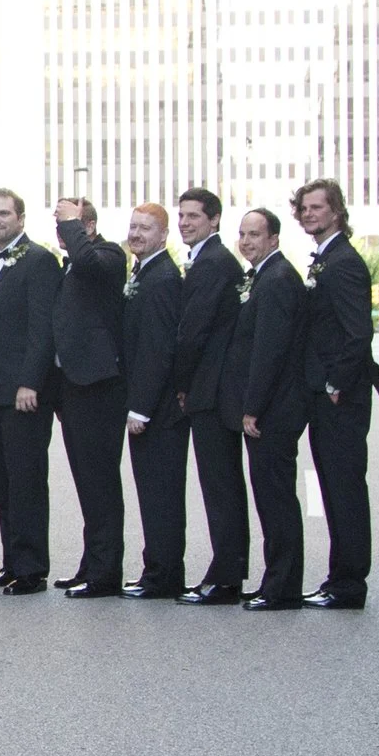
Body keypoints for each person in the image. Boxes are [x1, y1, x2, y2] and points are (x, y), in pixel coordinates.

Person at [295, 178, 379, 609]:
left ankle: (349, 584)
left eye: (317, 207)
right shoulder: (326, 258)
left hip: (341, 399)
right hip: (325, 393)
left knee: (345, 488)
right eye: (304, 208)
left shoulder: (344, 262)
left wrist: (335, 384)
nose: (309, 213)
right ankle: (337, 578)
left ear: (336, 211)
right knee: (332, 486)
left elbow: (357, 333)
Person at [0, 189, 61, 594]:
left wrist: (30, 381)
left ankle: (31, 569)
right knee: (1, 482)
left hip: (22, 394)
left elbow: (44, 329)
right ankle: (11, 561)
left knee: (25, 481)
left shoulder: (40, 261)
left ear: (21, 219)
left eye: (4, 213)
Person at [171, 189, 250, 605]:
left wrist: (181, 384)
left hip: (213, 391)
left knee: (220, 486)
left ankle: (226, 577)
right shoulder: (208, 260)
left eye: (194, 217)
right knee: (222, 485)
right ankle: (228, 571)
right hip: (213, 388)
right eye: (181, 216)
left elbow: (192, 333)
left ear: (215, 220)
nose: (185, 222)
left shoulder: (213, 263)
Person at [230, 208, 312, 610]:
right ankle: (275, 581)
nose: (247, 242)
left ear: (274, 239)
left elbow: (269, 351)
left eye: (255, 235)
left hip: (276, 409)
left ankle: (282, 588)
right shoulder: (265, 276)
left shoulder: (277, 280)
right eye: (243, 234)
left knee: (276, 498)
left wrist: (253, 408)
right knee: (270, 497)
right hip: (274, 405)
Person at [51, 196, 129, 598]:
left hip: (101, 387)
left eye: (68, 223)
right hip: (73, 386)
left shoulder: (109, 255)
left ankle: (105, 572)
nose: (61, 228)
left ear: (89, 226)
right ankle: (91, 563)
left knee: (100, 482)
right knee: (86, 483)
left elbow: (89, 265)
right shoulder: (73, 262)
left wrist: (73, 226)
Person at [119, 201, 189, 599]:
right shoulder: (143, 272)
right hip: (150, 406)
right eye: (133, 226)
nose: (137, 233)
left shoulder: (162, 278)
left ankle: (163, 575)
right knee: (151, 492)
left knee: (161, 494)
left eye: (146, 228)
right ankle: (157, 569)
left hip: (158, 411)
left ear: (163, 235)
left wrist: (140, 408)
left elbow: (157, 350)